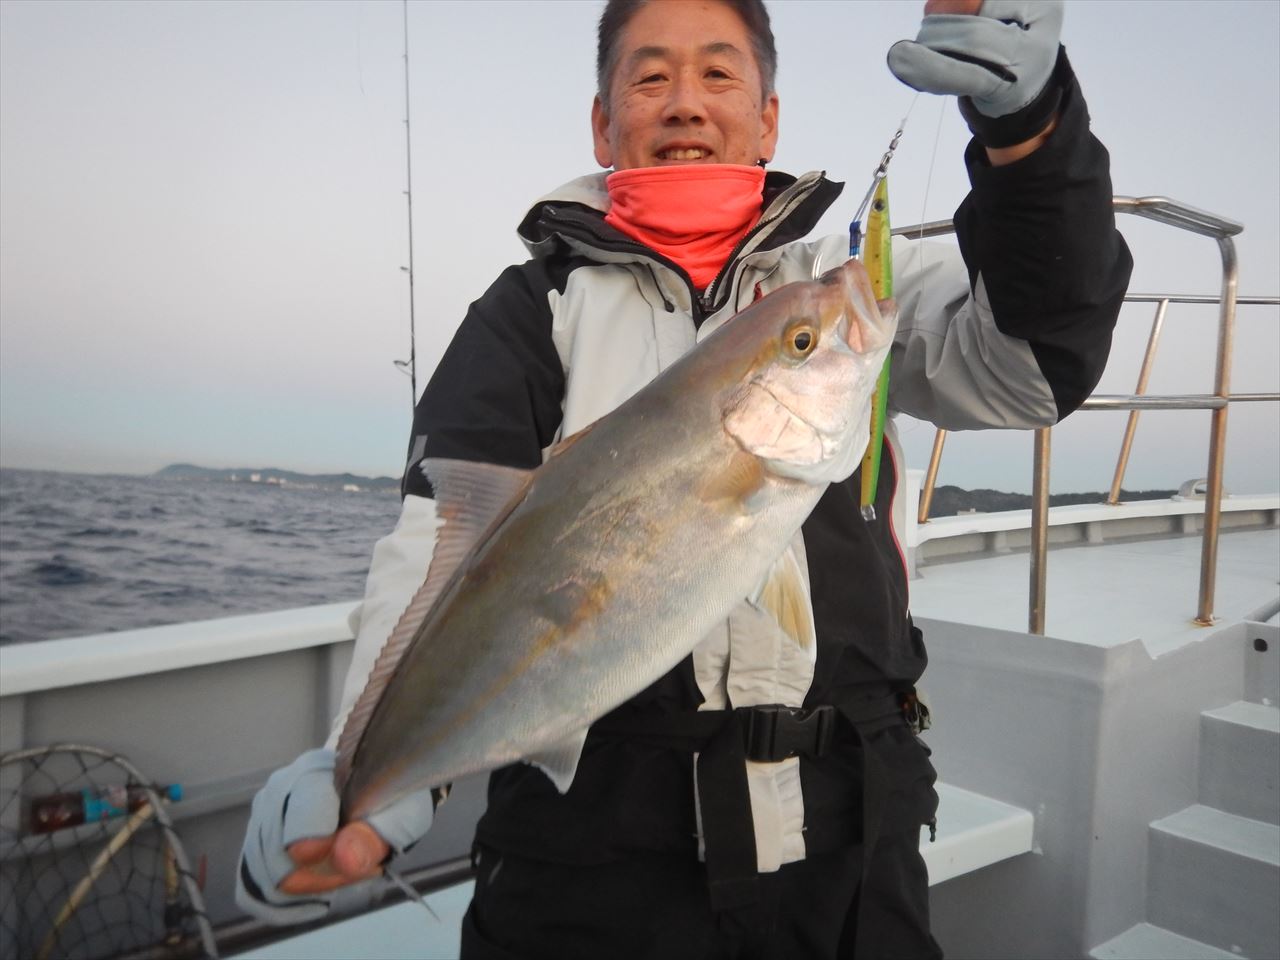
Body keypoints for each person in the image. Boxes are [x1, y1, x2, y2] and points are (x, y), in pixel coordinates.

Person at [236, 1, 1132, 956]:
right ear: (603, 123)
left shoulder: (844, 275)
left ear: (768, 118)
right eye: (651, 77)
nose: (685, 104)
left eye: (718, 74)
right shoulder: (530, 312)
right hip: (593, 849)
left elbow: (1031, 371)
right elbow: (438, 551)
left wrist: (1030, 133)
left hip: (849, 838)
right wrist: (363, 775)